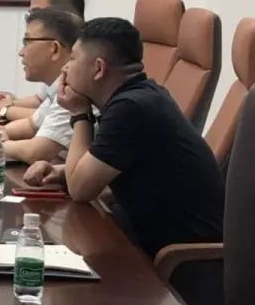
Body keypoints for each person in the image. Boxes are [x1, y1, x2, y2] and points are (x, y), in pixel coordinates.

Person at [24, 17, 224, 257]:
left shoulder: (131, 109)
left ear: (99, 69)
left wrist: (79, 113)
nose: (65, 69)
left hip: (178, 258)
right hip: (144, 236)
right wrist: (62, 172)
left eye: (73, 59)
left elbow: (80, 190)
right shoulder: (143, 94)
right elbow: (106, 169)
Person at [0, 8, 82, 164]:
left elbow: (36, 152)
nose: (21, 52)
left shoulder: (74, 91)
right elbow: (32, 124)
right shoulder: (57, 88)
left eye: (27, 42)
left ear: (54, 49)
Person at [0, 0, 85, 121]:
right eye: (30, 14)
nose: (32, 19)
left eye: (37, 13)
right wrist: (8, 103)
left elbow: (50, 117)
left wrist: (4, 110)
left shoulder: (83, 67)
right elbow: (41, 101)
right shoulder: (58, 63)